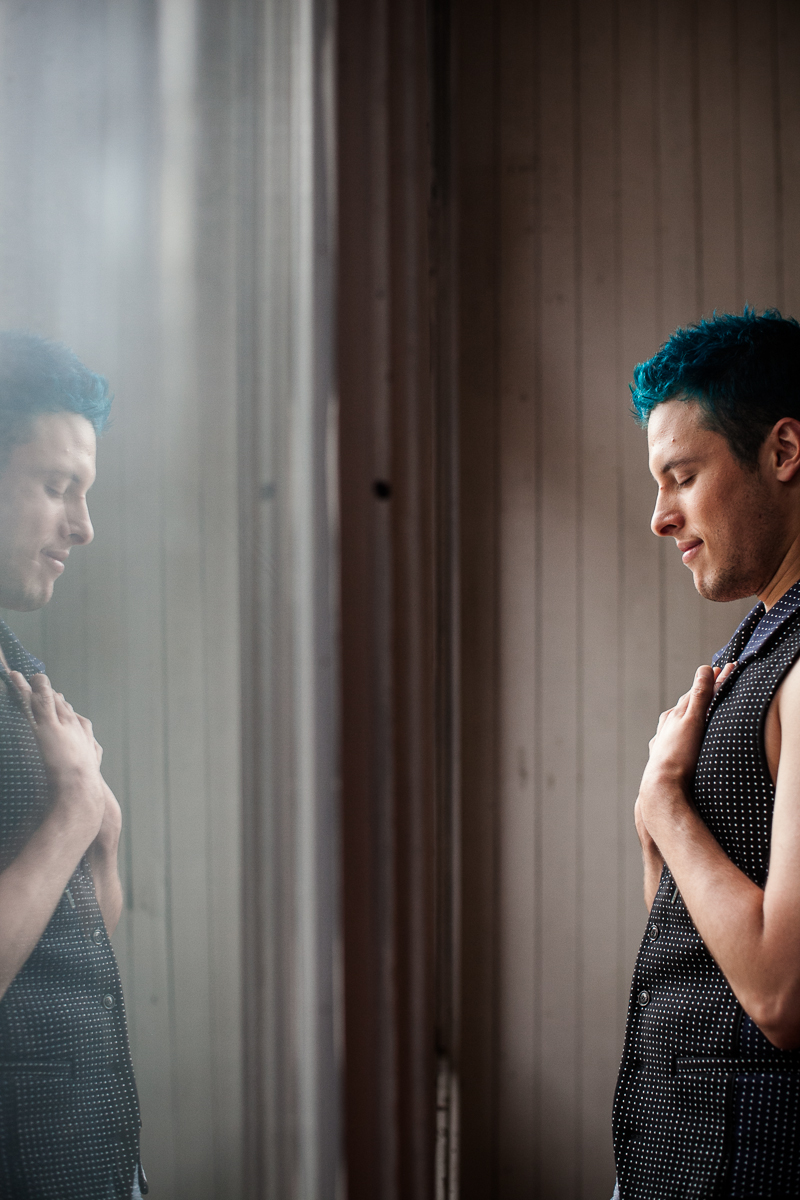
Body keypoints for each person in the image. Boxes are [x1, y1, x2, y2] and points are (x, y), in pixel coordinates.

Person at [612, 308, 800, 1199]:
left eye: (682, 477)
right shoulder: (754, 647)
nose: (661, 517)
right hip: (673, 1156)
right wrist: (659, 822)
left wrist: (665, 807)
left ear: (783, 451)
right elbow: (681, 941)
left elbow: (781, 992)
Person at [0, 331, 144, 1198]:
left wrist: (101, 840)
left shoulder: (19, 670)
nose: (83, 527)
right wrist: (72, 816)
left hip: (90, 1159)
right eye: (58, 488)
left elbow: (78, 942)